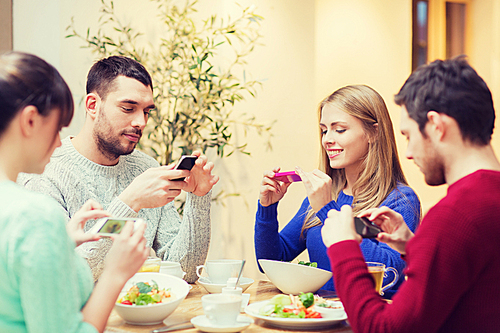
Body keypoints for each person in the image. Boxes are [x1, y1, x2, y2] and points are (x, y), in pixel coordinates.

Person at [322, 57, 500, 332]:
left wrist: (343, 247)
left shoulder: (455, 216)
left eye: (408, 135)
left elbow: (383, 328)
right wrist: (414, 247)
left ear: (436, 126)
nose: (407, 152)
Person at [17, 56, 219, 282]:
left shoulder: (146, 168)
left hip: (143, 312)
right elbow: (68, 278)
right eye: (128, 108)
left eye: (146, 111)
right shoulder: (43, 172)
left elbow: (185, 272)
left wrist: (198, 198)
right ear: (93, 105)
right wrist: (130, 202)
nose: (141, 122)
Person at [0, 51, 149, 332]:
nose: (59, 143)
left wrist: (62, 242)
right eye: (57, 128)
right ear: (30, 121)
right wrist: (115, 274)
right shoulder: (35, 215)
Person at [255, 85, 420, 296]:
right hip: (322, 319)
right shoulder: (326, 195)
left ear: (374, 133)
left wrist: (327, 210)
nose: (327, 139)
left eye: (339, 129)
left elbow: (389, 273)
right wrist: (267, 208)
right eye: (324, 130)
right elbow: (271, 260)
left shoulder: (400, 200)